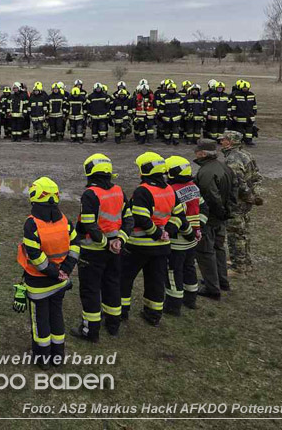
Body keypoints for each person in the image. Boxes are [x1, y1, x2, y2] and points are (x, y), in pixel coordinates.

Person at [14, 177, 79, 368]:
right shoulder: (65, 221)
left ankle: (42, 357)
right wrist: (65, 270)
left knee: (40, 320)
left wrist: (52, 272)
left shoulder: (32, 224)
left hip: (39, 282)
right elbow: (75, 246)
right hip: (60, 281)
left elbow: (34, 255)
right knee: (56, 315)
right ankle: (57, 355)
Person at [121, 152, 189, 326]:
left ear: (145, 170)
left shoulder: (143, 191)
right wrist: (167, 232)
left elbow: (140, 218)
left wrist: (157, 233)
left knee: (124, 278)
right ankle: (153, 314)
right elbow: (179, 215)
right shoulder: (169, 190)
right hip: (162, 247)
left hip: (139, 246)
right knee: (155, 281)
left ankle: (121, 312)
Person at [69, 155, 132, 343]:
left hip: (94, 251)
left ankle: (90, 331)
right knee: (112, 284)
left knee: (90, 290)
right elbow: (128, 219)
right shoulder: (119, 191)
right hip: (115, 250)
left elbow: (89, 225)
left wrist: (106, 243)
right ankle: (113, 325)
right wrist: (119, 240)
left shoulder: (91, 194)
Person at [193, 139, 235, 299]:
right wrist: (227, 211)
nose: (195, 153)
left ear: (202, 153)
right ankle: (222, 281)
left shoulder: (206, 172)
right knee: (219, 249)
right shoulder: (224, 167)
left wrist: (218, 212)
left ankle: (212, 288)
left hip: (210, 218)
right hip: (221, 216)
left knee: (205, 251)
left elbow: (211, 196)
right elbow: (234, 189)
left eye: (197, 151)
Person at [163, 156, 205, 315]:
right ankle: (191, 299)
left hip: (178, 241)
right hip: (193, 240)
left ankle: (173, 306)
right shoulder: (193, 187)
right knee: (189, 269)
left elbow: (174, 218)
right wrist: (198, 228)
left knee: (173, 272)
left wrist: (171, 232)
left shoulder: (172, 191)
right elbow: (203, 209)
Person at [221, 130, 263, 275]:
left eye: (224, 139)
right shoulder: (246, 155)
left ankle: (238, 266)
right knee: (243, 232)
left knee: (235, 234)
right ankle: (245, 261)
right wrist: (255, 196)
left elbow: (238, 183)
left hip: (237, 202)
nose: (221, 141)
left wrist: (247, 196)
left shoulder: (232, 159)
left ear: (231, 142)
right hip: (245, 201)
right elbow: (257, 176)